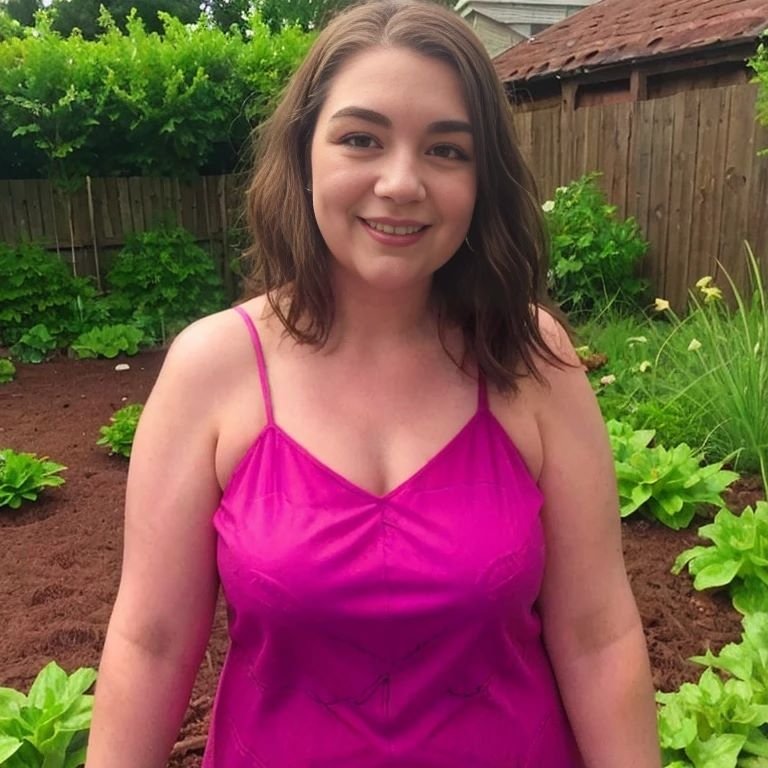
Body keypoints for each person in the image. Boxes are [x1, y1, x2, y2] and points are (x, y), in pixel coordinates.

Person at [86, 1, 661, 766]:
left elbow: (598, 635)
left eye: (446, 150)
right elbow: (150, 644)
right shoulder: (212, 369)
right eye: (361, 139)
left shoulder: (531, 359)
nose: (400, 182)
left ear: (482, 178)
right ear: (305, 154)